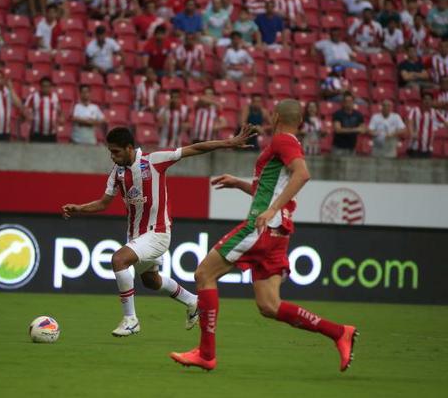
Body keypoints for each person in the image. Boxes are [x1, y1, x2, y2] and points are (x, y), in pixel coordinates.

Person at [169, 99, 358, 372]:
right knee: (270, 305)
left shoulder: (282, 141)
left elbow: (302, 174)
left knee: (204, 274)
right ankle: (339, 332)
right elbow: (272, 188)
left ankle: (206, 354)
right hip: (278, 233)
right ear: (300, 121)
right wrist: (239, 184)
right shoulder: (287, 144)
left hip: (262, 228)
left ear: (276, 116)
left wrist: (271, 210)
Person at [61, 125, 254, 336]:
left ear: (129, 148)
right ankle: (193, 301)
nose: (112, 156)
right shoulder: (117, 173)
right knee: (151, 281)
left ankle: (130, 320)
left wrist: (229, 142)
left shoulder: (154, 161)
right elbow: (103, 203)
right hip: (136, 236)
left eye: (116, 151)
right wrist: (79, 208)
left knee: (118, 260)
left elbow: (194, 149)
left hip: (157, 233)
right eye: (110, 152)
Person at [407, 91, 448, 157]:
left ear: (432, 101)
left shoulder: (434, 112)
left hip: (428, 147)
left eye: (429, 99)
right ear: (422, 100)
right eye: (425, 99)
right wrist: (412, 133)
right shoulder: (415, 110)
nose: (427, 101)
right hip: (415, 146)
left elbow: (445, 122)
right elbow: (409, 122)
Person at [24, 77, 64, 142]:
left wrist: (62, 118)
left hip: (51, 134)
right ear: (40, 87)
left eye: (48, 86)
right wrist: (28, 115)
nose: (46, 89)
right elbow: (25, 109)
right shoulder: (33, 97)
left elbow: (61, 111)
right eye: (44, 86)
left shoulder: (56, 97)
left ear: (51, 87)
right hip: (36, 134)